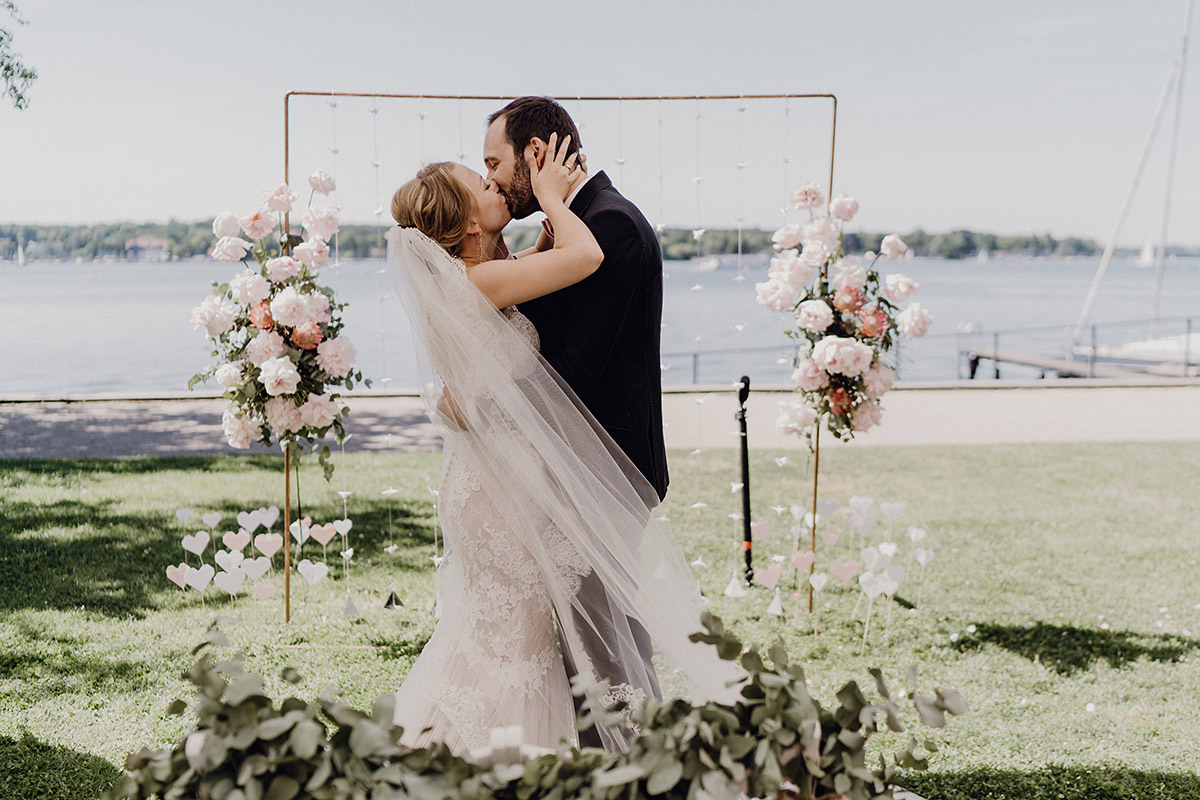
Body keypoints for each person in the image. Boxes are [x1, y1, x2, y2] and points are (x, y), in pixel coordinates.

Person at [388, 134, 740, 755]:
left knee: (498, 634)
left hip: (490, 485)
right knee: (515, 640)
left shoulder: (472, 278)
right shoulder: (481, 281)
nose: (495, 184)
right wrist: (552, 198)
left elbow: (519, 298)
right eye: (485, 183)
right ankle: (509, 760)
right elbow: (583, 256)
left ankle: (482, 752)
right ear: (469, 220)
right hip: (501, 498)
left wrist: (541, 234)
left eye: (494, 170)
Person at [484, 97, 667, 746]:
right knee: (611, 631)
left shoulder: (608, 225)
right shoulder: (586, 221)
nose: (493, 180)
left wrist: (482, 395)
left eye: (494, 162)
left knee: (599, 645)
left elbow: (574, 369)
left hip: (600, 468)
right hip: (589, 462)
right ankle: (644, 764)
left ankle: (630, 775)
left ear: (536, 155)